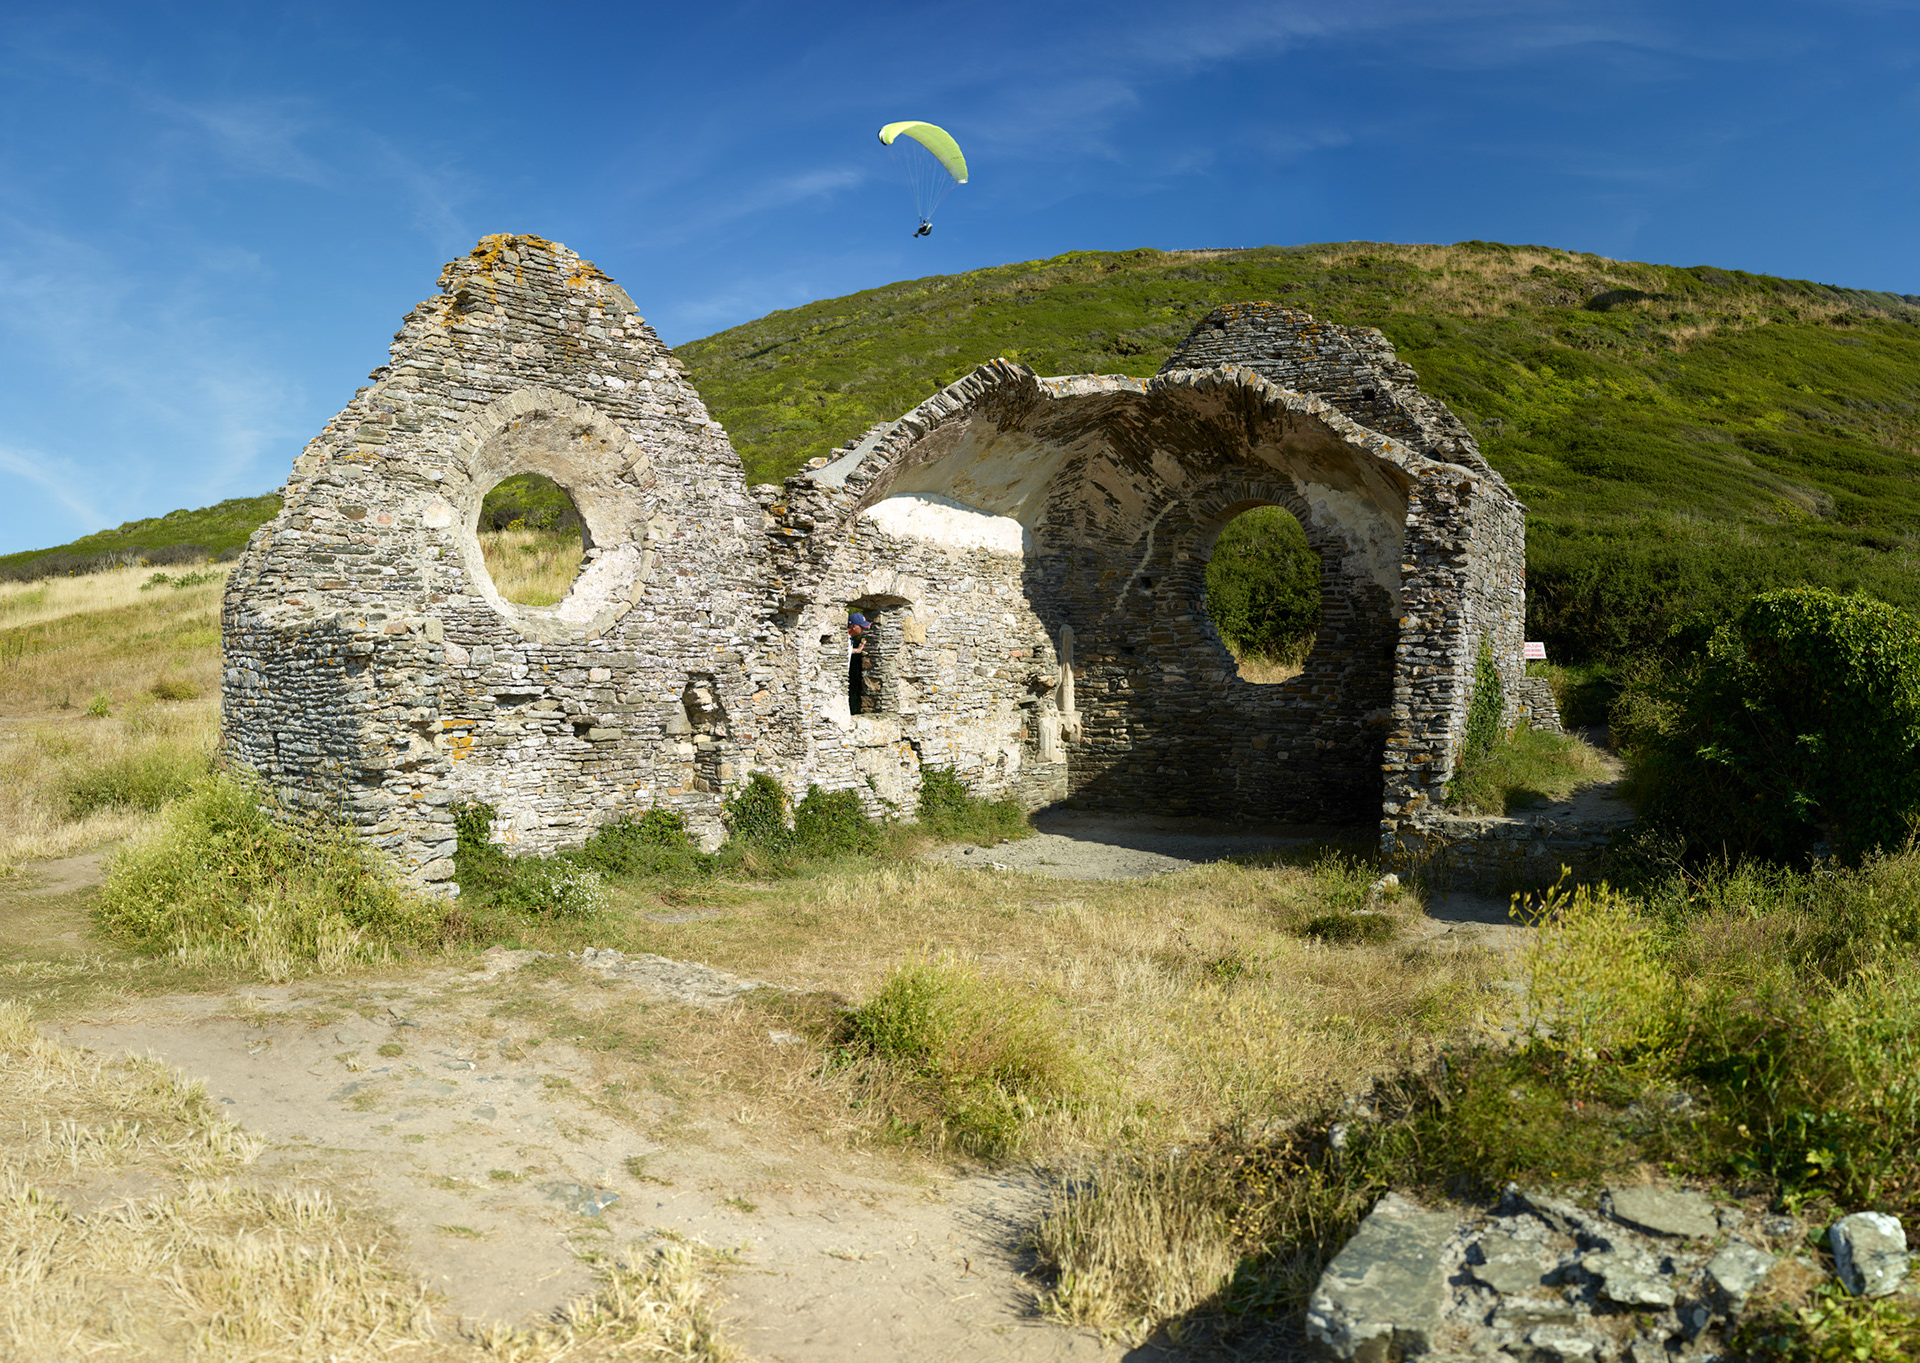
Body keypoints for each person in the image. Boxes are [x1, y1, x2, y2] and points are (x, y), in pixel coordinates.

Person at [847, 613, 870, 713]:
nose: (864, 630)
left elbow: (846, 650)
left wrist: (858, 650)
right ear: (854, 626)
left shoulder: (848, 639)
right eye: (862, 627)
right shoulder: (841, 638)